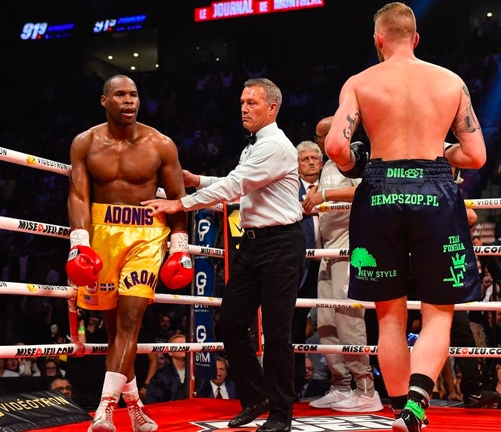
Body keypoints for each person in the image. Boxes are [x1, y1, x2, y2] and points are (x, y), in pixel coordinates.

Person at [324, 4, 486, 431]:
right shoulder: (450, 81)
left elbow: (337, 149)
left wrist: (360, 161)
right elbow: (476, 155)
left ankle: (397, 410)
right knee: (439, 311)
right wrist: (441, 151)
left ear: (378, 39)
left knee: (389, 313)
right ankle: (416, 405)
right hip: (434, 186)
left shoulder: (360, 83)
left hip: (379, 187)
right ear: (416, 38)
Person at [143, 78, 305, 432]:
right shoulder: (255, 147)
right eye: (242, 101)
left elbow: (235, 186)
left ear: (272, 108)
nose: (244, 108)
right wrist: (197, 180)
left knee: (277, 333)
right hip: (251, 243)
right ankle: (256, 398)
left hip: (280, 244)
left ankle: (281, 414)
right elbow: (239, 183)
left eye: (253, 103)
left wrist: (178, 203)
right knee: (231, 323)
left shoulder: (276, 146)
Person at [67, 74, 193, 432]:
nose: (129, 101)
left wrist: (178, 246)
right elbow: (78, 195)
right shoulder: (85, 143)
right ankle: (135, 407)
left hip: (146, 235)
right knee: (114, 330)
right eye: (120, 94)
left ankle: (104, 411)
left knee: (130, 319)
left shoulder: (161, 144)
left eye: (134, 94)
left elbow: (178, 200)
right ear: (104, 101)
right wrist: (80, 241)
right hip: (102, 233)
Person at [303, 116, 380, 412]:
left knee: (349, 319)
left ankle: (365, 389)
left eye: (329, 135)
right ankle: (340, 385)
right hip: (326, 252)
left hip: (351, 249)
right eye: (321, 136)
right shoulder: (327, 166)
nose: (325, 141)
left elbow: (367, 191)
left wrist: (325, 195)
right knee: (326, 322)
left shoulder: (356, 156)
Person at [293, 140, 323, 400]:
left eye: (315, 158)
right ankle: (293, 385)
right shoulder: (290, 189)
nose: (311, 162)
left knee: (339, 319)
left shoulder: (332, 187)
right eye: (305, 159)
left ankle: (345, 384)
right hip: (301, 264)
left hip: (331, 262)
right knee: (295, 323)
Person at [145, 334, 193, 403]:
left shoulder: (197, 374)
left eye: (186, 345)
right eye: (179, 345)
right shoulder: (160, 377)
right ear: (170, 352)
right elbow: (152, 403)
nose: (184, 347)